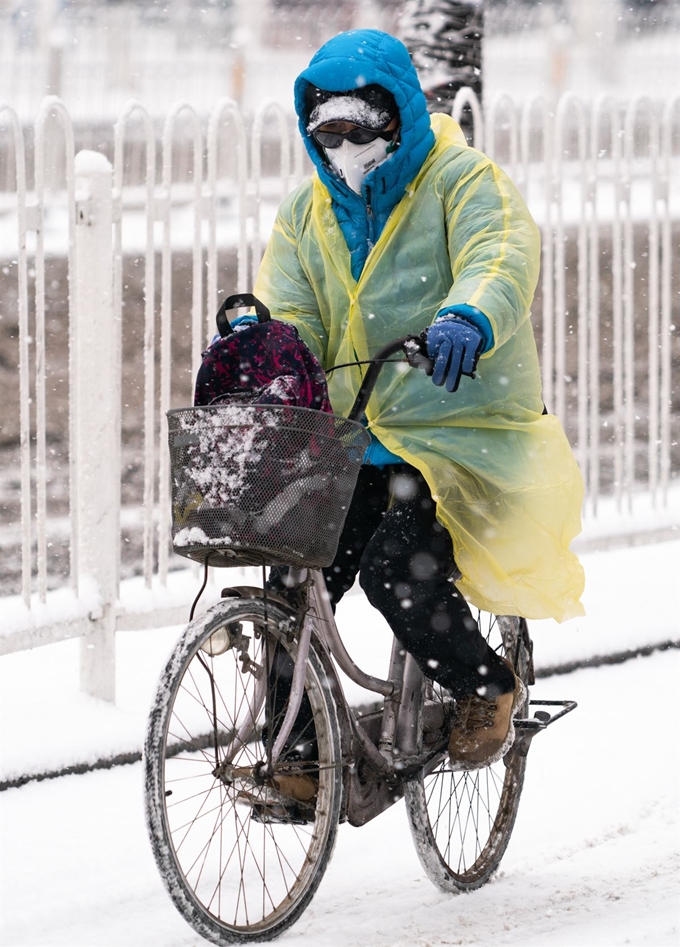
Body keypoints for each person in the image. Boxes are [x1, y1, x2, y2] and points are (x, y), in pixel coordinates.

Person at [247, 29, 584, 795]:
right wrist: (268, 347)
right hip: (354, 432)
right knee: (291, 578)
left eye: (358, 130)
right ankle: (295, 755)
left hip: (456, 428)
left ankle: (484, 687)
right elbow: (293, 306)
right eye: (326, 133)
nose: (343, 149)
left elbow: (500, 251)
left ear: (396, 117)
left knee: (398, 565)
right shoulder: (308, 213)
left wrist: (469, 315)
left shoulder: (462, 180)